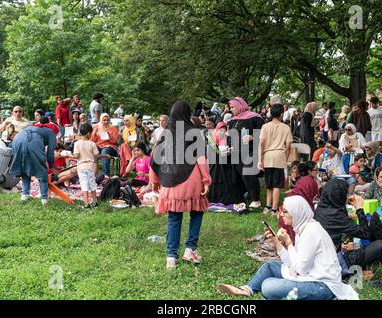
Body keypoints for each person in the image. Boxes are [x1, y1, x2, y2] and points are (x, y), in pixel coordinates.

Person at [217, 196, 359, 300]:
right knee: (270, 266)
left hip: (323, 286)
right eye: (281, 210)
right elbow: (293, 262)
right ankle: (247, 289)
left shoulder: (311, 231)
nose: (281, 214)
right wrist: (277, 242)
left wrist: (288, 243)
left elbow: (301, 268)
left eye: (285, 211)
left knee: (267, 286)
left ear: (296, 212)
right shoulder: (302, 228)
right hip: (310, 276)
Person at [150, 101, 212, 270]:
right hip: (192, 179)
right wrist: (206, 180)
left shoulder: (165, 134)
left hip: (170, 182)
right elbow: (200, 159)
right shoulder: (194, 132)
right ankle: (190, 250)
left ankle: (171, 257)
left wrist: (155, 182)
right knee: (197, 212)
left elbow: (155, 159)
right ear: (187, 113)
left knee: (174, 217)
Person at [314, 180, 382, 269]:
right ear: (338, 196)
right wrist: (359, 208)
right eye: (345, 194)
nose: (347, 197)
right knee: (380, 245)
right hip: (334, 263)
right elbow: (366, 234)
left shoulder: (322, 207)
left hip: (325, 255)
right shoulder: (335, 215)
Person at [9, 118, 58, 205]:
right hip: (33, 140)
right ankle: (44, 199)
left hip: (17, 139)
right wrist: (51, 167)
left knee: (24, 167)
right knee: (42, 170)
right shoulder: (51, 133)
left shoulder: (36, 128)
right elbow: (50, 153)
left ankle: (25, 195)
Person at [228, 97, 265, 209]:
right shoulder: (233, 120)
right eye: (230, 107)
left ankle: (256, 200)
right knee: (240, 176)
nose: (231, 109)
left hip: (251, 150)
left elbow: (263, 134)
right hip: (236, 152)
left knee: (248, 174)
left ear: (240, 105)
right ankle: (245, 197)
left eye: (233, 107)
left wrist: (253, 137)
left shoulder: (255, 117)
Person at [258, 104, 292, 215]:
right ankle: (274, 209)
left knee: (269, 184)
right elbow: (288, 146)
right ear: (282, 114)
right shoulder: (286, 127)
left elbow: (261, 144)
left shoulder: (265, 126)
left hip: (267, 157)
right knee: (277, 185)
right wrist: (285, 158)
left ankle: (267, 206)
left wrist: (260, 160)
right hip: (279, 156)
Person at [207, 122, 245, 206]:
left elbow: (233, 148)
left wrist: (229, 151)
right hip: (216, 164)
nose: (221, 132)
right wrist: (218, 151)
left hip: (227, 164)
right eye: (220, 130)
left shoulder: (229, 138)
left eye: (223, 130)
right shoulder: (212, 139)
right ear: (216, 130)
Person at [73, 123, 110, 208]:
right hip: (90, 167)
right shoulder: (92, 143)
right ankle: (95, 201)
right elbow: (97, 155)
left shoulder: (77, 144)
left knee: (84, 185)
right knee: (92, 184)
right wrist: (105, 155)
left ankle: (86, 203)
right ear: (88, 133)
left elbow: (76, 156)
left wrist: (69, 155)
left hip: (81, 167)